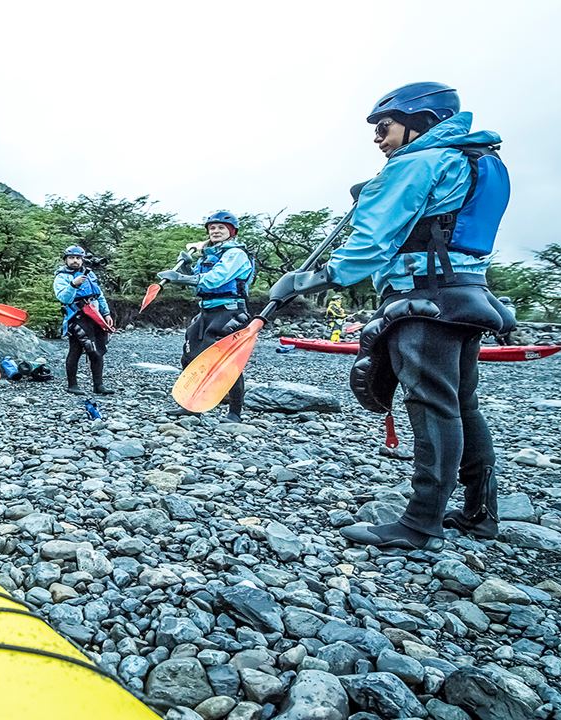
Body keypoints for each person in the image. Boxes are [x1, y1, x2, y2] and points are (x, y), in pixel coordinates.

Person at [268, 82, 515, 550]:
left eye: (384, 126)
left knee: (432, 406)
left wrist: (303, 281)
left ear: (420, 121)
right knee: (462, 404)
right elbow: (440, 218)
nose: (378, 138)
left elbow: (369, 247)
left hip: (422, 301)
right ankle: (481, 515)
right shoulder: (481, 160)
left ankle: (421, 524)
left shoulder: (416, 163)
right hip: (467, 295)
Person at [158, 210, 255, 423]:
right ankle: (192, 406)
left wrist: (179, 277)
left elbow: (214, 280)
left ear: (232, 232)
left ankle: (234, 412)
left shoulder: (236, 254)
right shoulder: (210, 254)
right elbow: (198, 282)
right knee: (189, 356)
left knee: (226, 361)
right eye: (212, 228)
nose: (216, 231)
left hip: (230, 311)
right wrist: (186, 266)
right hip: (207, 311)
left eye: (221, 227)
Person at [53, 245, 115, 395]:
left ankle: (98, 385)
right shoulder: (62, 277)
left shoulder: (90, 275)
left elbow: (98, 295)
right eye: (72, 258)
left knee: (98, 349)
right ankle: (72, 385)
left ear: (82, 260)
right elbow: (64, 298)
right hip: (76, 317)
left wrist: (106, 313)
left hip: (94, 316)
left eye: (78, 258)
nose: (75, 261)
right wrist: (73, 285)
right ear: (66, 260)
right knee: (78, 350)